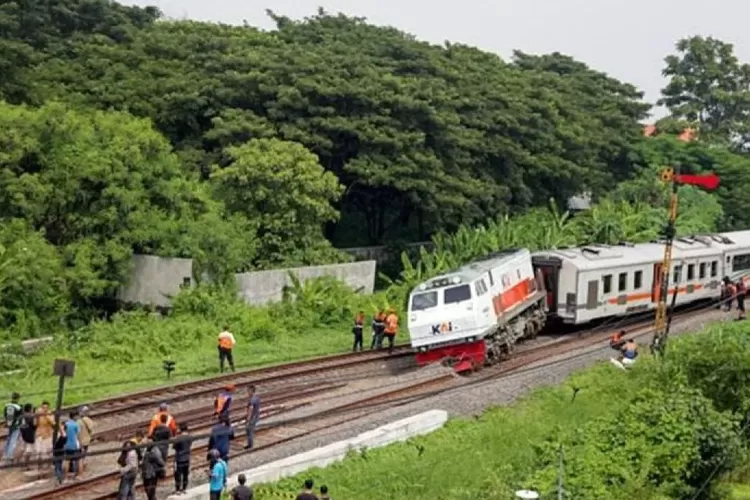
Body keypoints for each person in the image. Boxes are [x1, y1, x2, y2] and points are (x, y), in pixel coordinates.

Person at [173, 422, 193, 494]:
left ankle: (178, 489)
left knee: (178, 475)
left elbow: (174, 447)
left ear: (180, 429)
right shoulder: (190, 437)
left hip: (179, 458)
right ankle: (184, 488)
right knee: (185, 475)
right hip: (187, 458)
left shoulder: (178, 438)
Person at [35, 401, 55, 468]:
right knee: (39, 452)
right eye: (43, 407)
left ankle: (49, 465)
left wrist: (46, 415)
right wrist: (37, 416)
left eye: (46, 408)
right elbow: (35, 424)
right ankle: (39, 466)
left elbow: (53, 423)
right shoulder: (38, 414)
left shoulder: (50, 414)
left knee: (49, 451)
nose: (44, 409)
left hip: (48, 435)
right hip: (39, 434)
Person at [3, 392, 22, 462]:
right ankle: (9, 456)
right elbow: (20, 417)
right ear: (18, 398)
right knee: (13, 441)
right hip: (16, 426)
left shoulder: (6, 405)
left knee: (8, 439)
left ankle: (5, 454)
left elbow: (5, 415)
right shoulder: (19, 407)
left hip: (8, 424)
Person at [63, 410, 81, 480]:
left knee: (67, 461)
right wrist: (80, 444)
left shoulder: (66, 424)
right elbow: (78, 435)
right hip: (75, 445)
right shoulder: (76, 425)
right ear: (75, 416)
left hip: (67, 444)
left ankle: (66, 476)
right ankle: (78, 475)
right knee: (79, 460)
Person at [77, 406, 95, 473]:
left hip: (79, 440)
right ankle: (82, 465)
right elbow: (91, 428)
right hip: (86, 439)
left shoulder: (78, 421)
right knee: (84, 453)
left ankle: (79, 466)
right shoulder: (88, 420)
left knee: (79, 453)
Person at [19, 403, 36, 469]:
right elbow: (34, 425)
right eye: (32, 408)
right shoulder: (30, 416)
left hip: (22, 433)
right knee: (29, 450)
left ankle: (18, 462)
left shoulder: (22, 415)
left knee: (22, 448)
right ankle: (26, 465)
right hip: (29, 434)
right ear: (29, 409)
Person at [244, 385, 260, 450]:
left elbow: (251, 409)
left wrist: (248, 419)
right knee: (250, 430)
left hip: (252, 418)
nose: (247, 392)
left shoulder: (252, 400)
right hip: (256, 416)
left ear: (251, 391)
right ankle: (250, 444)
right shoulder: (257, 398)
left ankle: (250, 445)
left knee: (249, 431)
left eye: (248, 391)